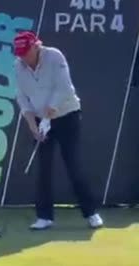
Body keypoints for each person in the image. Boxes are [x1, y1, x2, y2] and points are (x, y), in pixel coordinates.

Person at [12, 31, 103, 230]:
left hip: (67, 115)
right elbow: (22, 98)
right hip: (39, 119)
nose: (23, 57)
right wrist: (33, 127)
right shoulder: (18, 66)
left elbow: (64, 88)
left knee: (74, 165)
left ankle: (91, 213)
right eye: (20, 54)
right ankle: (44, 217)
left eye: (26, 52)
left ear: (36, 46)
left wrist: (50, 111)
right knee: (43, 169)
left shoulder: (55, 56)